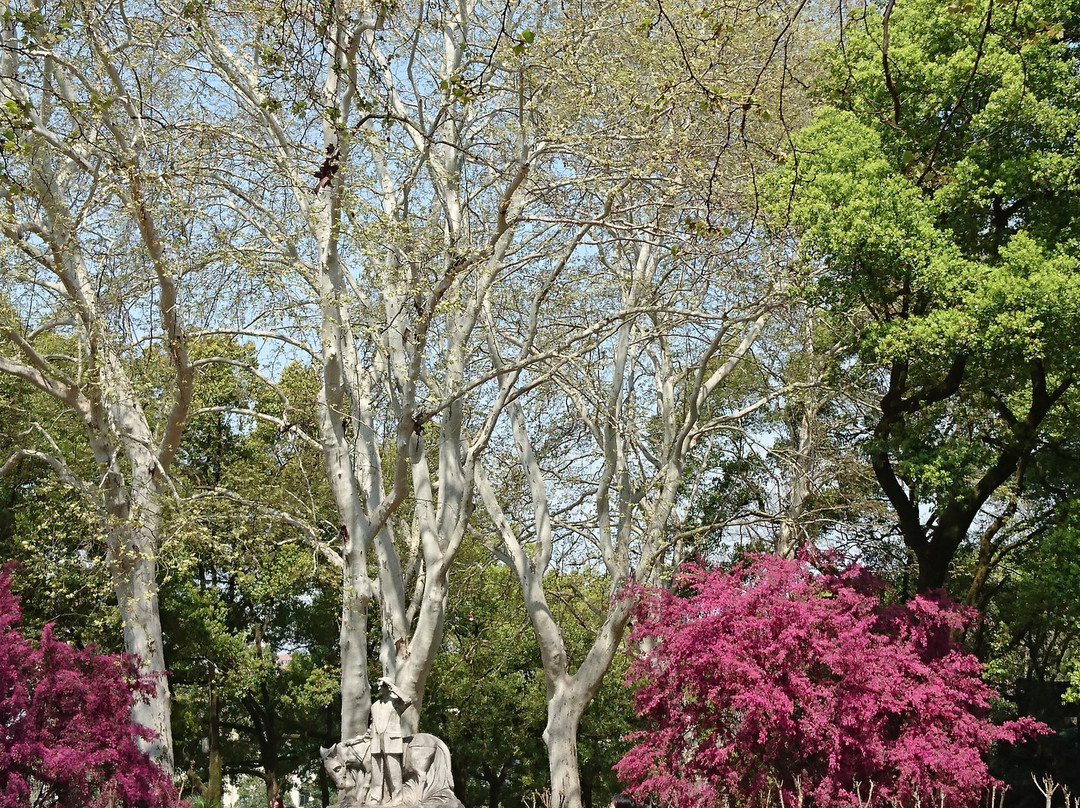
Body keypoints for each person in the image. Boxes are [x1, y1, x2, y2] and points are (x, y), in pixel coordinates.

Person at [369, 678, 411, 804]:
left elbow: (408, 700)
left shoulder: (395, 703)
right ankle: (376, 798)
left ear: (387, 687)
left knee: (394, 771)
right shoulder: (374, 706)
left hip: (391, 740)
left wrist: (393, 686)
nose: (378, 689)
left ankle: (397, 798)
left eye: (381, 686)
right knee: (376, 772)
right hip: (376, 740)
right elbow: (373, 723)